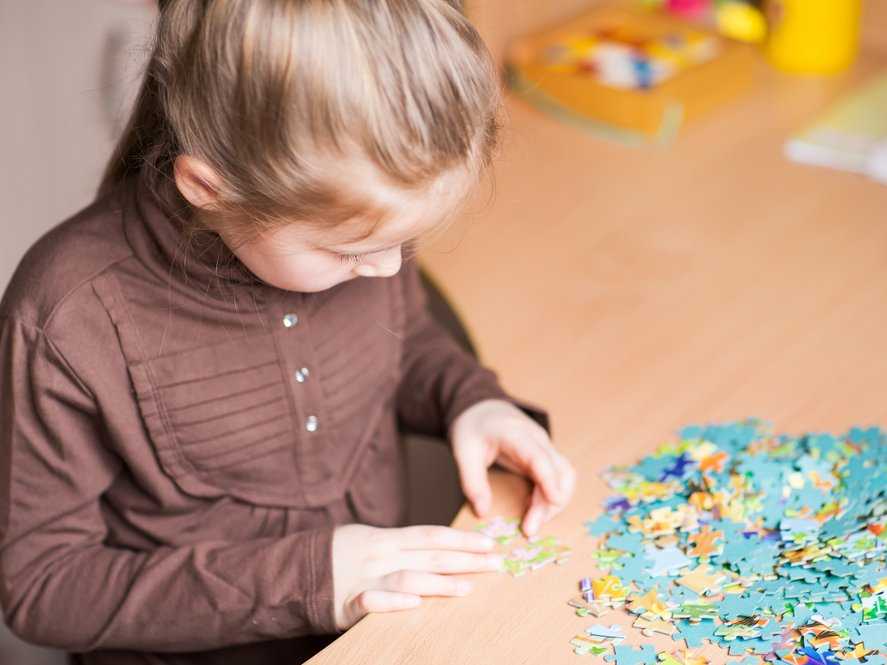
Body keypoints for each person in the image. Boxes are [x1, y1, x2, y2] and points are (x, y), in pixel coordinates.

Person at [0, 1, 576, 663]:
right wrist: (311, 578)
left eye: (405, 240)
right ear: (208, 187)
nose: (388, 268)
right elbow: (42, 585)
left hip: (370, 642)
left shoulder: (359, 224)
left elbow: (401, 339)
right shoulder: (65, 317)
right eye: (351, 250)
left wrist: (470, 400)